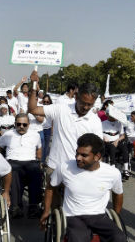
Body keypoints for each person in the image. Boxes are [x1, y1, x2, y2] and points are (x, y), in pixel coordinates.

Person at [39, 133, 127, 242]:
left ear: (97, 157)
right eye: (77, 153)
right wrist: (47, 211)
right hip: (73, 216)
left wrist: (116, 216)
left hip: (99, 216)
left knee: (119, 237)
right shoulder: (65, 167)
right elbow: (51, 186)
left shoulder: (111, 173)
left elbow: (118, 194)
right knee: (79, 237)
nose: (78, 158)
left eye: (84, 155)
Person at [27, 71, 103, 211]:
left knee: (76, 207)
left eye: (90, 105)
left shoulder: (95, 121)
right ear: (76, 96)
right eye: (83, 103)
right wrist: (34, 85)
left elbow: (98, 148)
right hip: (56, 165)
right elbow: (32, 109)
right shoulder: (61, 109)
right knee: (53, 205)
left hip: (80, 169)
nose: (86, 108)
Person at [0, 114, 43, 218]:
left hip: (30, 161)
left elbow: (39, 148)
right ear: (15, 124)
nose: (21, 126)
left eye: (24, 124)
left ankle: (34, 206)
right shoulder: (7, 134)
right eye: (19, 124)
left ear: (29, 125)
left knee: (36, 170)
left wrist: (39, 160)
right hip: (13, 161)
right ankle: (16, 206)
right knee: (13, 171)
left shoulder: (35, 135)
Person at [101, 106, 130, 180]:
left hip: (117, 141)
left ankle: (126, 169)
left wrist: (117, 140)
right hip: (107, 142)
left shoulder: (119, 123)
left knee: (124, 148)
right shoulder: (102, 123)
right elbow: (99, 133)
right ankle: (112, 167)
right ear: (107, 115)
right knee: (112, 148)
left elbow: (123, 135)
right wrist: (104, 137)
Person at [40, 95, 53, 162]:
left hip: (48, 129)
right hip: (41, 129)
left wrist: (52, 129)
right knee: (42, 145)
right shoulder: (40, 108)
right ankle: (41, 161)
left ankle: (43, 161)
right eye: (44, 101)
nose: (45, 103)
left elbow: (53, 120)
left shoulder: (52, 109)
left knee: (47, 146)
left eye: (47, 102)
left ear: (50, 102)